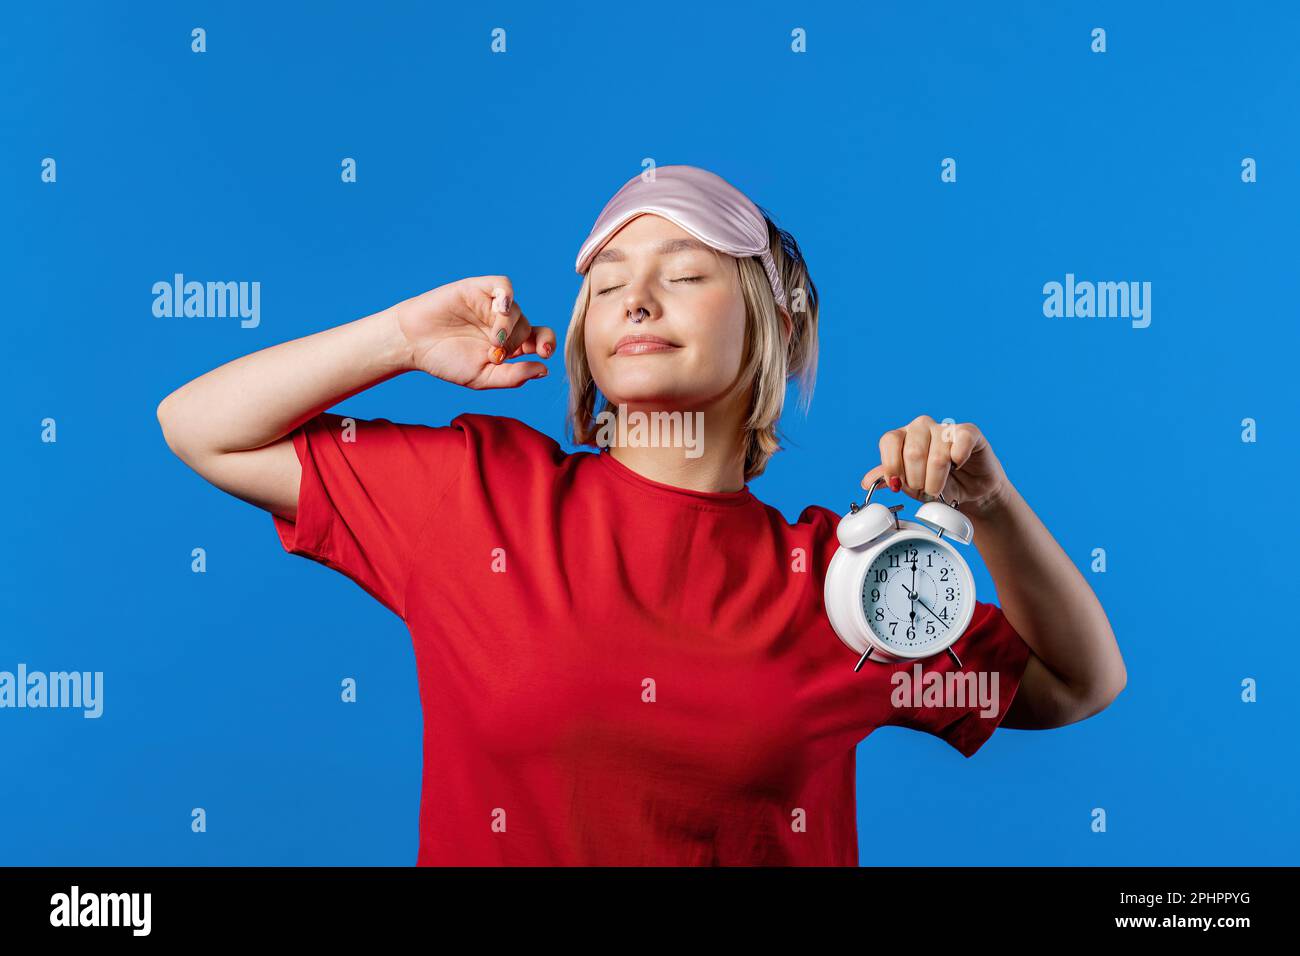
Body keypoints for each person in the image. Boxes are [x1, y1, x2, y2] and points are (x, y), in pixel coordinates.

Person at [156, 164, 1126, 866]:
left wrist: (988, 508)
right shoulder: (476, 493)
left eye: (685, 271)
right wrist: (401, 337)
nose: (637, 298)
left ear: (774, 321)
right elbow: (202, 427)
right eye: (607, 283)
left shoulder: (850, 579)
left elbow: (1074, 685)